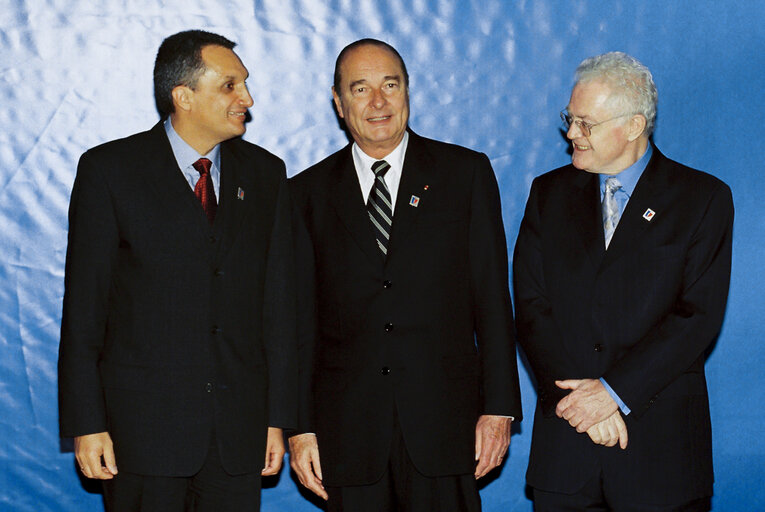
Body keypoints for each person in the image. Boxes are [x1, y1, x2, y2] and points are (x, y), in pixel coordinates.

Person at [58, 29, 297, 512]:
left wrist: (278, 417)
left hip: (237, 438)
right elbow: (85, 310)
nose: (247, 99)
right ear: (183, 96)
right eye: (230, 86)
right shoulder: (110, 171)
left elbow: (278, 308)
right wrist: (87, 423)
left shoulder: (267, 174)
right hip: (140, 437)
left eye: (245, 84)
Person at [287, 38, 522, 511]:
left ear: (408, 91)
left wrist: (498, 408)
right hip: (347, 435)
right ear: (338, 102)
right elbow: (295, 324)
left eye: (390, 85)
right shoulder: (304, 194)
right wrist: (299, 426)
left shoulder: (464, 174)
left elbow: (492, 300)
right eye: (360, 89)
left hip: (445, 428)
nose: (378, 102)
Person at [513, 51, 733, 511]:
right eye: (569, 119)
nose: (571, 133)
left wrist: (613, 394)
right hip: (566, 453)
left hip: (660, 458)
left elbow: (697, 316)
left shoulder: (702, 199)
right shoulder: (548, 195)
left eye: (585, 123)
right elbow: (532, 307)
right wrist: (582, 406)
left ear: (633, 126)